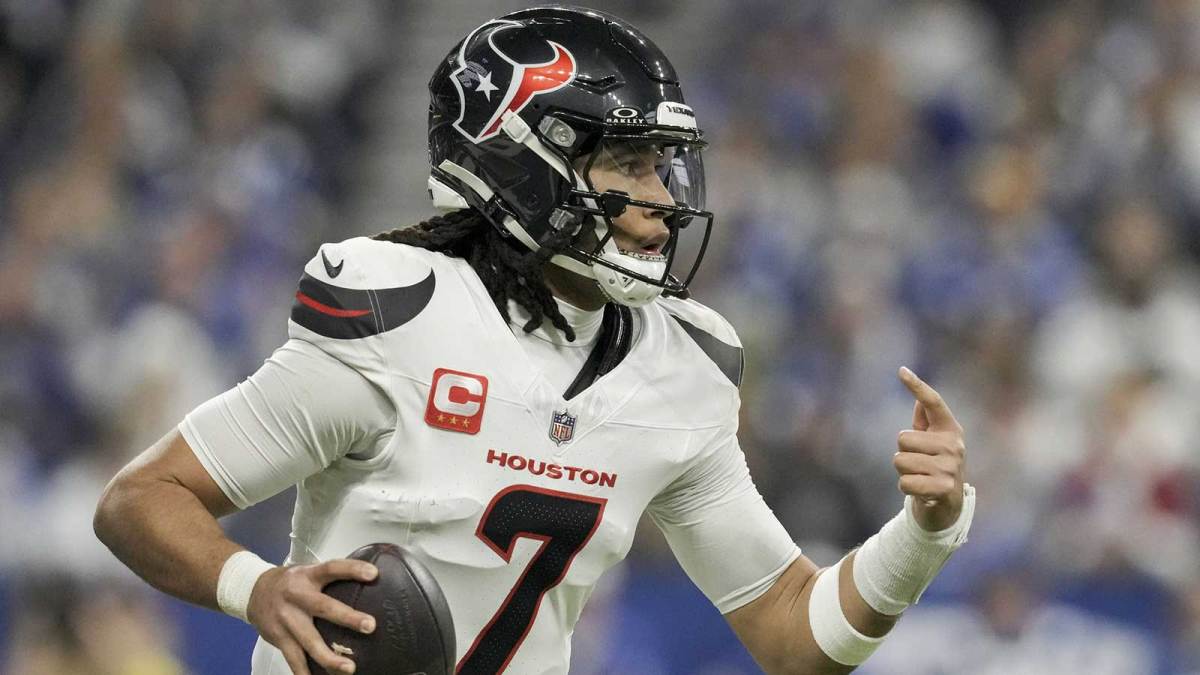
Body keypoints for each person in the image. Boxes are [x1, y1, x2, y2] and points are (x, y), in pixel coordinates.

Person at [93, 7, 974, 674]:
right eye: (627, 163)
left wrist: (924, 533)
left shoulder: (680, 369)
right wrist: (255, 588)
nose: (663, 198)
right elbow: (140, 499)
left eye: (662, 165)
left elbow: (794, 634)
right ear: (525, 163)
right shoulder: (401, 318)